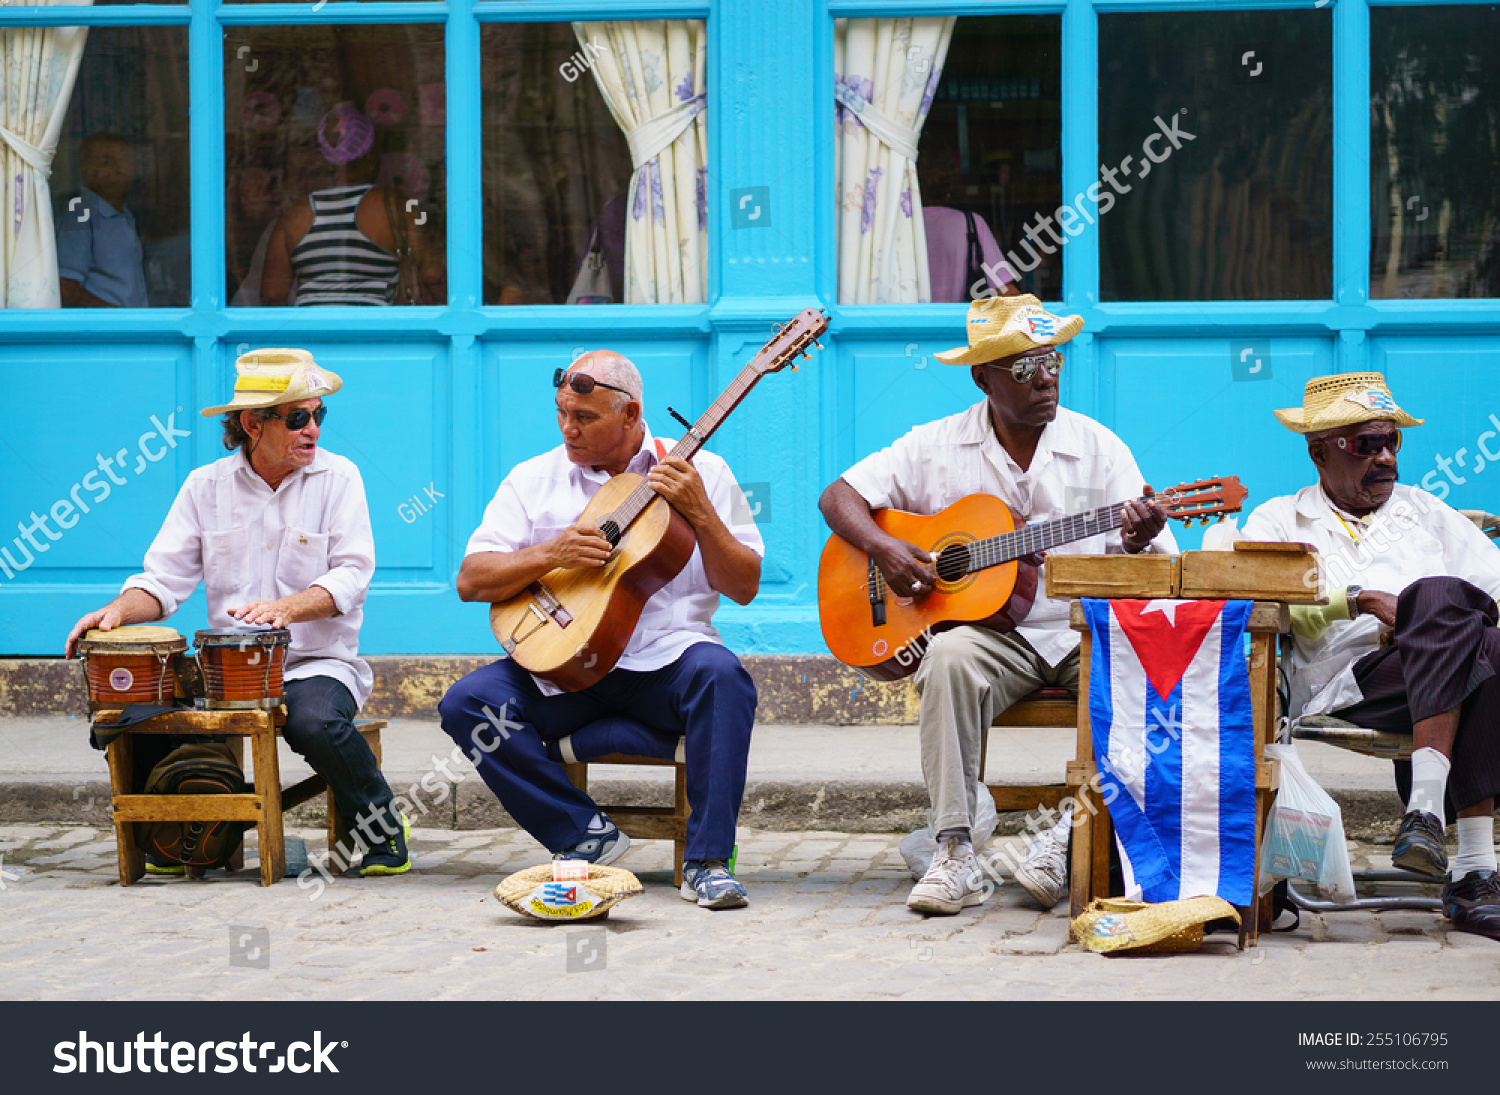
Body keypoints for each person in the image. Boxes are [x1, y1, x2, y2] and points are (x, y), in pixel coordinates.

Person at [817, 295, 1175, 915]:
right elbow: (837, 497)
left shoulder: (1100, 447)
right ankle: (953, 849)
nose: (1046, 378)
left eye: (1053, 361)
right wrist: (888, 550)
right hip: (993, 636)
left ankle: (1069, 835)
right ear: (983, 378)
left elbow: (1160, 570)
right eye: (1024, 368)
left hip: (1078, 629)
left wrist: (1138, 539)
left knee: (1144, 667)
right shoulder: (933, 445)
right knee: (948, 657)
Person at [63, 348, 409, 877]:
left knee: (315, 721)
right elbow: (161, 580)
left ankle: (384, 830)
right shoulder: (206, 486)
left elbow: (352, 574)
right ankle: (173, 836)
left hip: (315, 662)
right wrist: (114, 612)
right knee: (138, 713)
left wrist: (287, 608)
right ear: (252, 424)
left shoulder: (340, 478)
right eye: (298, 418)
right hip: (226, 672)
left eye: (319, 415)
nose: (312, 428)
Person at [438, 350, 763, 909]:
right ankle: (582, 833)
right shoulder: (532, 478)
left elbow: (745, 584)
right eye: (563, 413)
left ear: (632, 413)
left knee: (724, 677)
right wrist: (550, 553)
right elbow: (471, 580)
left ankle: (706, 863)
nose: (569, 427)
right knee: (467, 702)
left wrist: (701, 512)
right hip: (565, 670)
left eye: (585, 417)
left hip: (667, 664)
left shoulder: (704, 471)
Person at [1241, 372, 1500, 939]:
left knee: (1474, 633)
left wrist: (1424, 618)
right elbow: (1264, 605)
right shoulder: (1279, 520)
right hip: (1348, 682)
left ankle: (1429, 820)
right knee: (1437, 601)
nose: (1386, 458)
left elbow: (1494, 587)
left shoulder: (1423, 510)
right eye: (1366, 445)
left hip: (1438, 670)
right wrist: (1356, 601)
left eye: (1392, 443)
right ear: (1319, 452)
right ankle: (1475, 870)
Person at [260, 106, 440, 306]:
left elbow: (272, 295)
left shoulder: (294, 216)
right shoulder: (397, 206)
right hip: (377, 334)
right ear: (371, 158)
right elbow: (433, 276)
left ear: (325, 158)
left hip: (310, 334)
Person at [56, 133, 148, 308]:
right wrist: (119, 318)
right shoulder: (80, 215)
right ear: (85, 170)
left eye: (125, 161)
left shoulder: (124, 216)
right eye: (107, 162)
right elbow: (65, 288)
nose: (120, 169)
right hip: (105, 332)